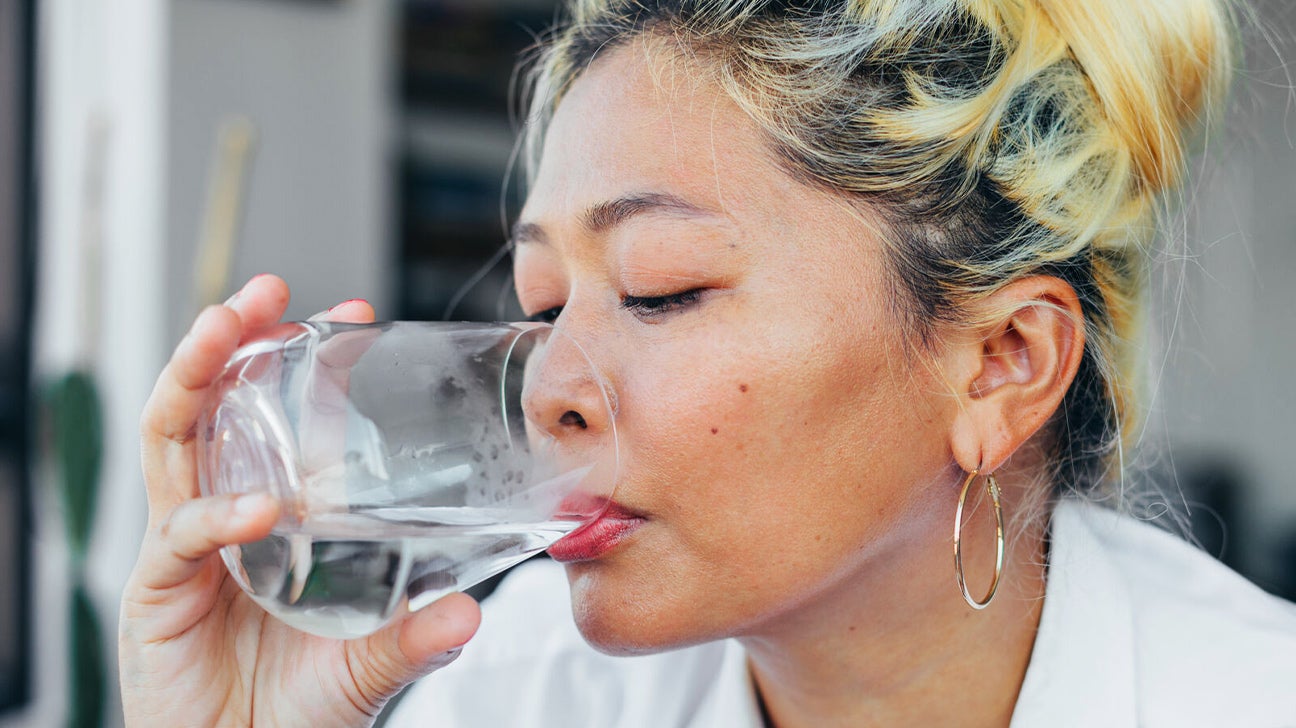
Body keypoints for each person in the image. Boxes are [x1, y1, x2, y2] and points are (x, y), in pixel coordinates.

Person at [120, 1, 1296, 725]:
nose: (540, 387)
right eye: (540, 303)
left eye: (660, 287)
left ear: (999, 364)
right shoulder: (526, 683)